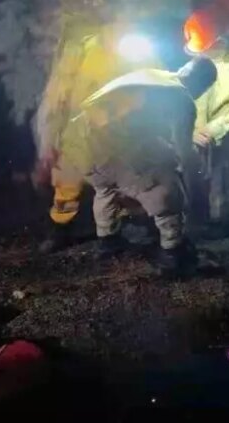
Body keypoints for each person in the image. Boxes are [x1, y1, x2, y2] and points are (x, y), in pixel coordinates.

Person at [45, 57, 217, 274]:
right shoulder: (182, 97)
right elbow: (183, 151)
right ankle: (172, 251)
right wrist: (193, 185)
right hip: (110, 144)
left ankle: (108, 240)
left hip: (77, 142)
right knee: (164, 186)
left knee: (106, 188)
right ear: (202, 85)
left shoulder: (150, 74)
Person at [35, 7, 159, 251]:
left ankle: (121, 228)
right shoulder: (82, 49)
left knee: (126, 179)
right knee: (67, 181)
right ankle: (60, 228)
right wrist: (49, 136)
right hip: (79, 129)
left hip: (121, 130)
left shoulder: (139, 50)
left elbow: (156, 82)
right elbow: (58, 94)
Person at [184, 11, 229, 226]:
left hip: (226, 139)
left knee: (222, 183)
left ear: (220, 41)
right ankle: (196, 222)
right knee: (194, 183)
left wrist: (214, 129)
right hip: (196, 138)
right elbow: (185, 99)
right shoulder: (196, 66)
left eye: (206, 49)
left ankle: (221, 224)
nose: (203, 53)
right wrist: (192, 131)